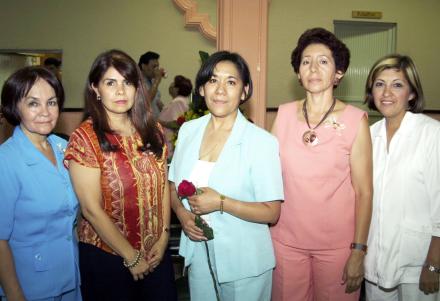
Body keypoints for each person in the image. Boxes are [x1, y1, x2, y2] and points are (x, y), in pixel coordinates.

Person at [169, 51, 284, 300]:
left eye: (231, 82)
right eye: (213, 80)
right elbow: (172, 184)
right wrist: (182, 214)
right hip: (199, 254)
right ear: (201, 89)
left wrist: (222, 202)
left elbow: (272, 212)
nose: (220, 90)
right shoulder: (188, 131)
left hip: (245, 263)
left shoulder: (261, 142)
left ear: (244, 92)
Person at [64, 49, 177, 301]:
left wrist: (163, 237)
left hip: (156, 253)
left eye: (127, 82)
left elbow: (162, 188)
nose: (120, 91)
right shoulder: (85, 138)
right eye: (110, 83)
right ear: (95, 88)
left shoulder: (152, 131)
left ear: (137, 88)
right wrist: (131, 256)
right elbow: (91, 208)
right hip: (108, 257)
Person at [270, 27, 373, 301]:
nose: (313, 68)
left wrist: (358, 250)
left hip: (337, 247)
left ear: (338, 73)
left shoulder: (355, 120)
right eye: (306, 61)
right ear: (298, 72)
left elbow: (364, 192)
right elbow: (266, 174)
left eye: (323, 61)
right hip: (286, 243)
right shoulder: (284, 114)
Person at [0, 67, 81, 301]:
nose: (45, 112)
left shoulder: (64, 148)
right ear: (16, 107)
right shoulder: (6, 160)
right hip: (31, 286)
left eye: (52, 102)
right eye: (33, 103)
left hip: (71, 278)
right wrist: (16, 296)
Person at [363, 54, 440, 301]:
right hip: (374, 259)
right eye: (379, 84)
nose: (386, 92)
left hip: (418, 263)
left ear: (412, 94)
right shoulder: (366, 135)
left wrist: (433, 264)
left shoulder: (432, 134)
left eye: (397, 84)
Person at [158, 75, 193, 159]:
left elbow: (177, 123)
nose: (170, 86)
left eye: (172, 85)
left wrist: (159, 121)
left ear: (177, 89)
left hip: (170, 142)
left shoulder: (178, 102)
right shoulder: (182, 101)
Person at [138, 51, 166, 118]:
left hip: (154, 123)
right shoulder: (136, 81)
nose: (156, 69)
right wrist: (157, 81)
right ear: (143, 66)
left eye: (157, 66)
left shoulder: (152, 80)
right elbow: (145, 102)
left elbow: (157, 102)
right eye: (154, 66)